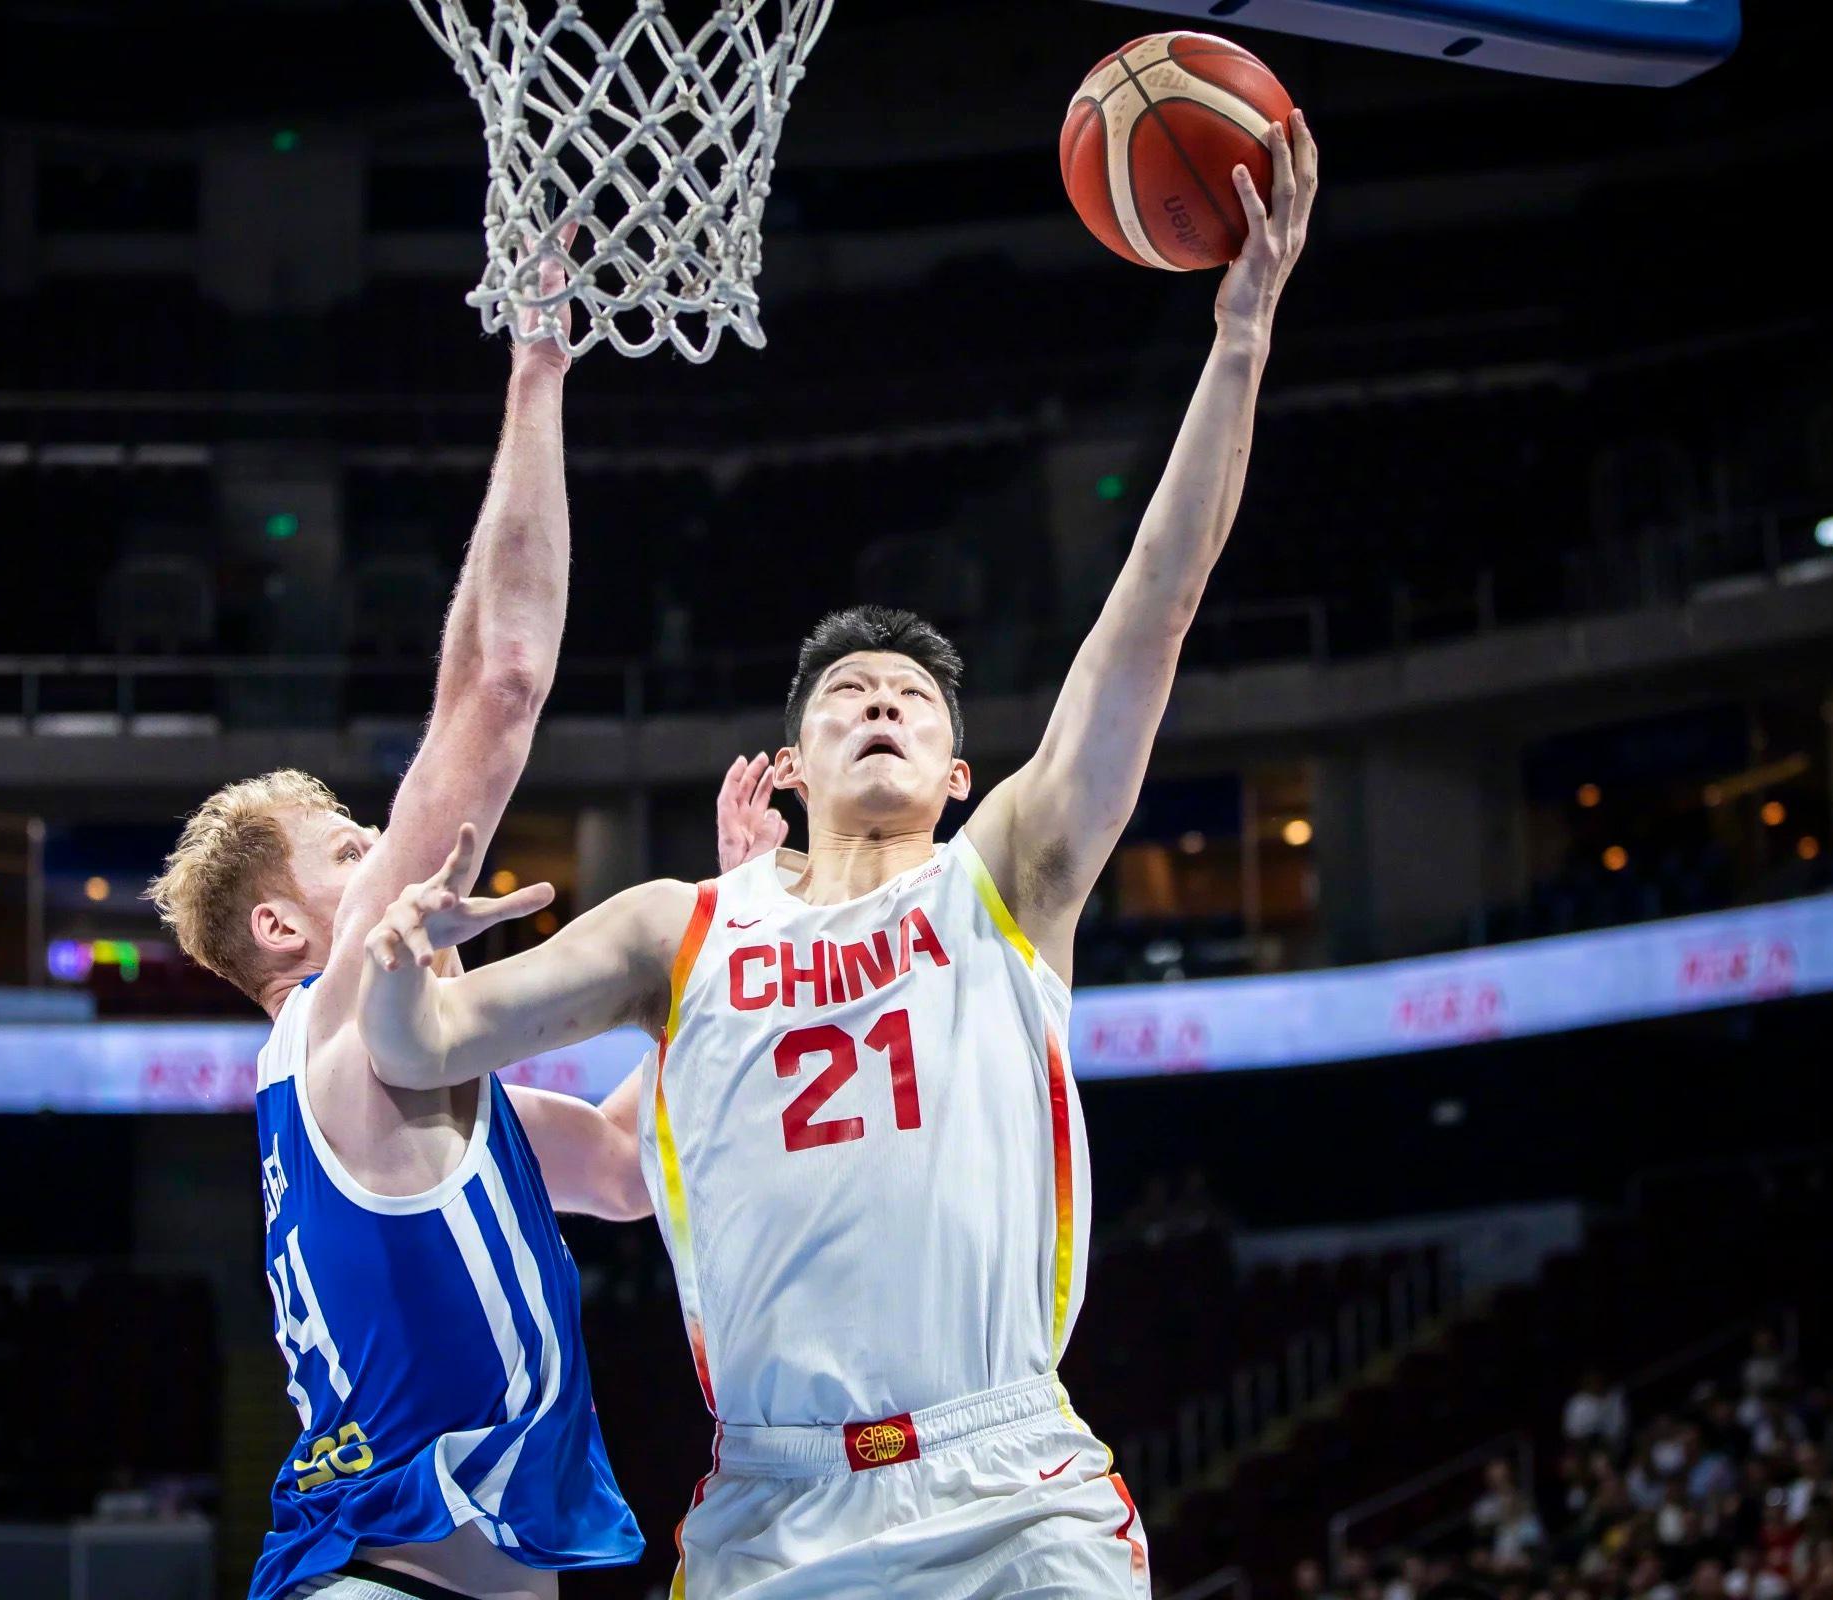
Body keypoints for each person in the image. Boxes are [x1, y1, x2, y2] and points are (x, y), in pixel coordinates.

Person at [339, 113, 1318, 1598]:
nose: (879, 702)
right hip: (772, 1509)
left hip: (1008, 1488)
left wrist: (1239, 337)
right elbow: (423, 1049)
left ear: (959, 776)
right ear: (790, 765)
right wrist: (405, 965)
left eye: (912, 699)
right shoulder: (678, 926)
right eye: (848, 693)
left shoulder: (1007, 878)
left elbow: (1157, 601)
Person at [147, 266, 656, 1600]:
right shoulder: (340, 1034)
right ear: (280, 923)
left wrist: (706, 963)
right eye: (349, 851)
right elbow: (499, 686)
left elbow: (620, 1170)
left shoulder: (391, 1088)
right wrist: (538, 376)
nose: (386, 855)